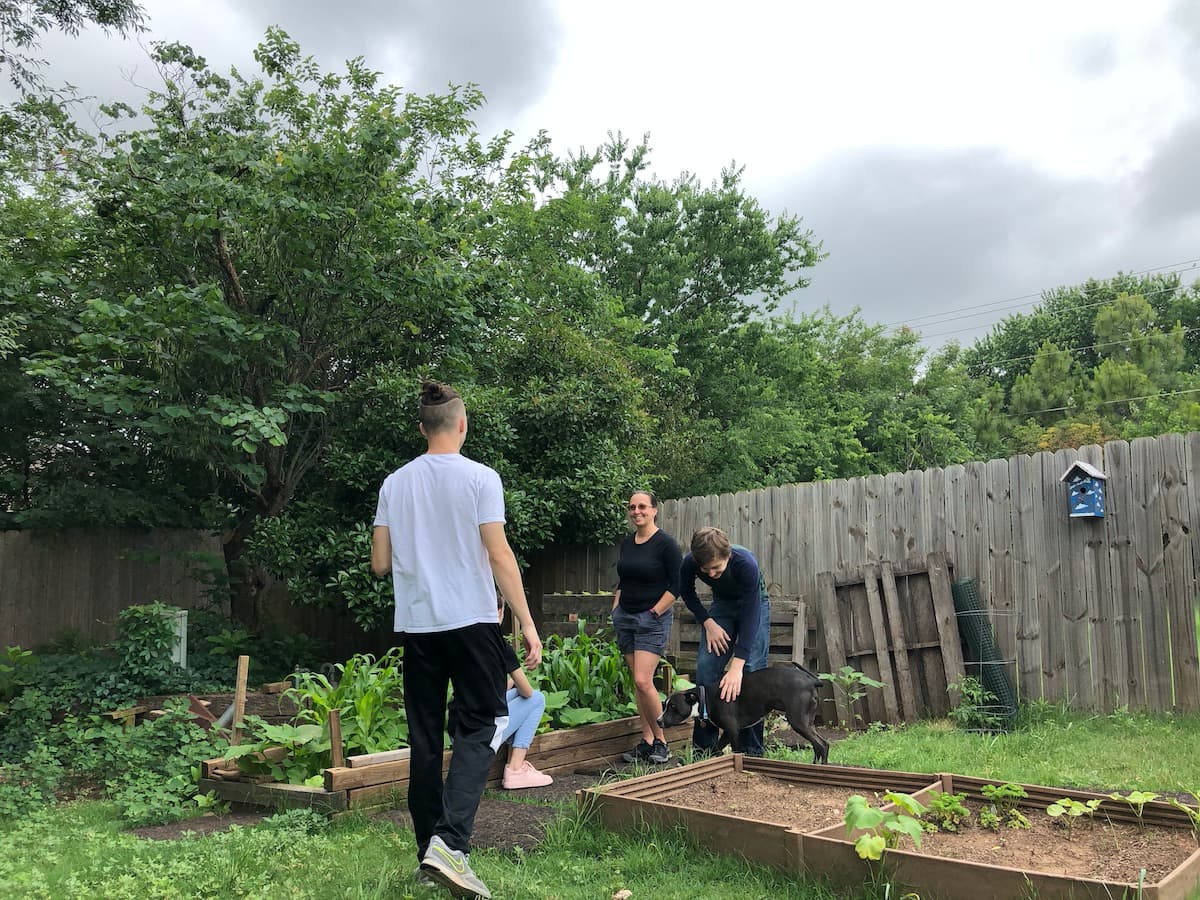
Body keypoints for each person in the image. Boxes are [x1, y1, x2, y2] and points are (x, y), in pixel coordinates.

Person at [371, 380, 542, 900]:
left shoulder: (394, 483)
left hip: (418, 627)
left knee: (425, 738)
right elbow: (499, 554)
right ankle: (450, 845)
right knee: (483, 722)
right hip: (471, 622)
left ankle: (430, 850)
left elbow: (379, 565)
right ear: (462, 425)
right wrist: (527, 622)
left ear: (423, 429)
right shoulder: (480, 478)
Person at [679, 526, 771, 757]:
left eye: (716, 568)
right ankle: (705, 750)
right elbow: (686, 592)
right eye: (705, 570)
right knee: (706, 668)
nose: (711, 575)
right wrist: (708, 623)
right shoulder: (689, 562)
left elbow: (751, 616)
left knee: (751, 672)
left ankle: (751, 752)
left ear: (727, 556)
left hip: (753, 604)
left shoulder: (745, 564)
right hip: (721, 606)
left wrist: (737, 666)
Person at [450, 599, 553, 789]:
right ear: (499, 613)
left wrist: (507, 685)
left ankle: (517, 766)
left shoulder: (459, 640)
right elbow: (527, 692)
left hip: (456, 730)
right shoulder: (499, 645)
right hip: (481, 733)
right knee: (536, 699)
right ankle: (515, 769)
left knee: (515, 694)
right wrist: (516, 683)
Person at [611, 490, 682, 765]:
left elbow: (676, 586)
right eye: (632, 507)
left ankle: (663, 742)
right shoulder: (628, 543)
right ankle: (647, 740)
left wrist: (654, 611)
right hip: (625, 618)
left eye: (642, 506)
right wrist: (616, 608)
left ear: (654, 510)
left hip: (651, 619)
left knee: (643, 680)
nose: (636, 511)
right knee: (638, 684)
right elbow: (623, 579)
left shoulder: (666, 545)